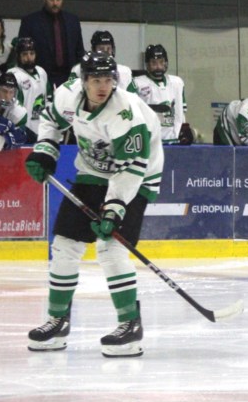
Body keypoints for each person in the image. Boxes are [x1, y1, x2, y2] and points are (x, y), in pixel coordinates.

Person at [23, 51, 164, 358]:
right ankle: (57, 320)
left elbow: (132, 167)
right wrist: (46, 151)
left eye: (108, 80)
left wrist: (114, 208)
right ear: (83, 81)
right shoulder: (66, 96)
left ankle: (130, 325)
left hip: (138, 176)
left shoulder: (126, 113)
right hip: (92, 171)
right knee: (64, 245)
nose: (103, 86)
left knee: (110, 247)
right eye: (96, 80)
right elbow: (50, 120)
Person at [18, 0, 86, 88]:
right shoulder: (30, 22)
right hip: (41, 78)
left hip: (69, 78)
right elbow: (22, 53)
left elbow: (79, 51)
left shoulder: (73, 21)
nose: (55, 3)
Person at [133, 44, 191, 145]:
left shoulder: (177, 83)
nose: (158, 67)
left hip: (173, 141)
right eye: (154, 63)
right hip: (149, 143)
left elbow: (181, 113)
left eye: (161, 62)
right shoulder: (137, 83)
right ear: (147, 64)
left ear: (166, 63)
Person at [7, 37, 52, 137]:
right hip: (23, 130)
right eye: (24, 54)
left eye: (31, 53)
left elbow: (48, 99)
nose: (29, 58)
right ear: (18, 56)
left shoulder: (41, 72)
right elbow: (11, 107)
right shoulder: (12, 75)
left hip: (42, 130)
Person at [66, 31, 137, 93]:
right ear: (93, 50)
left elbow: (134, 99)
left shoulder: (125, 72)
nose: (105, 52)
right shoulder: (78, 70)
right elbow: (71, 93)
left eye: (108, 48)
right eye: (101, 48)